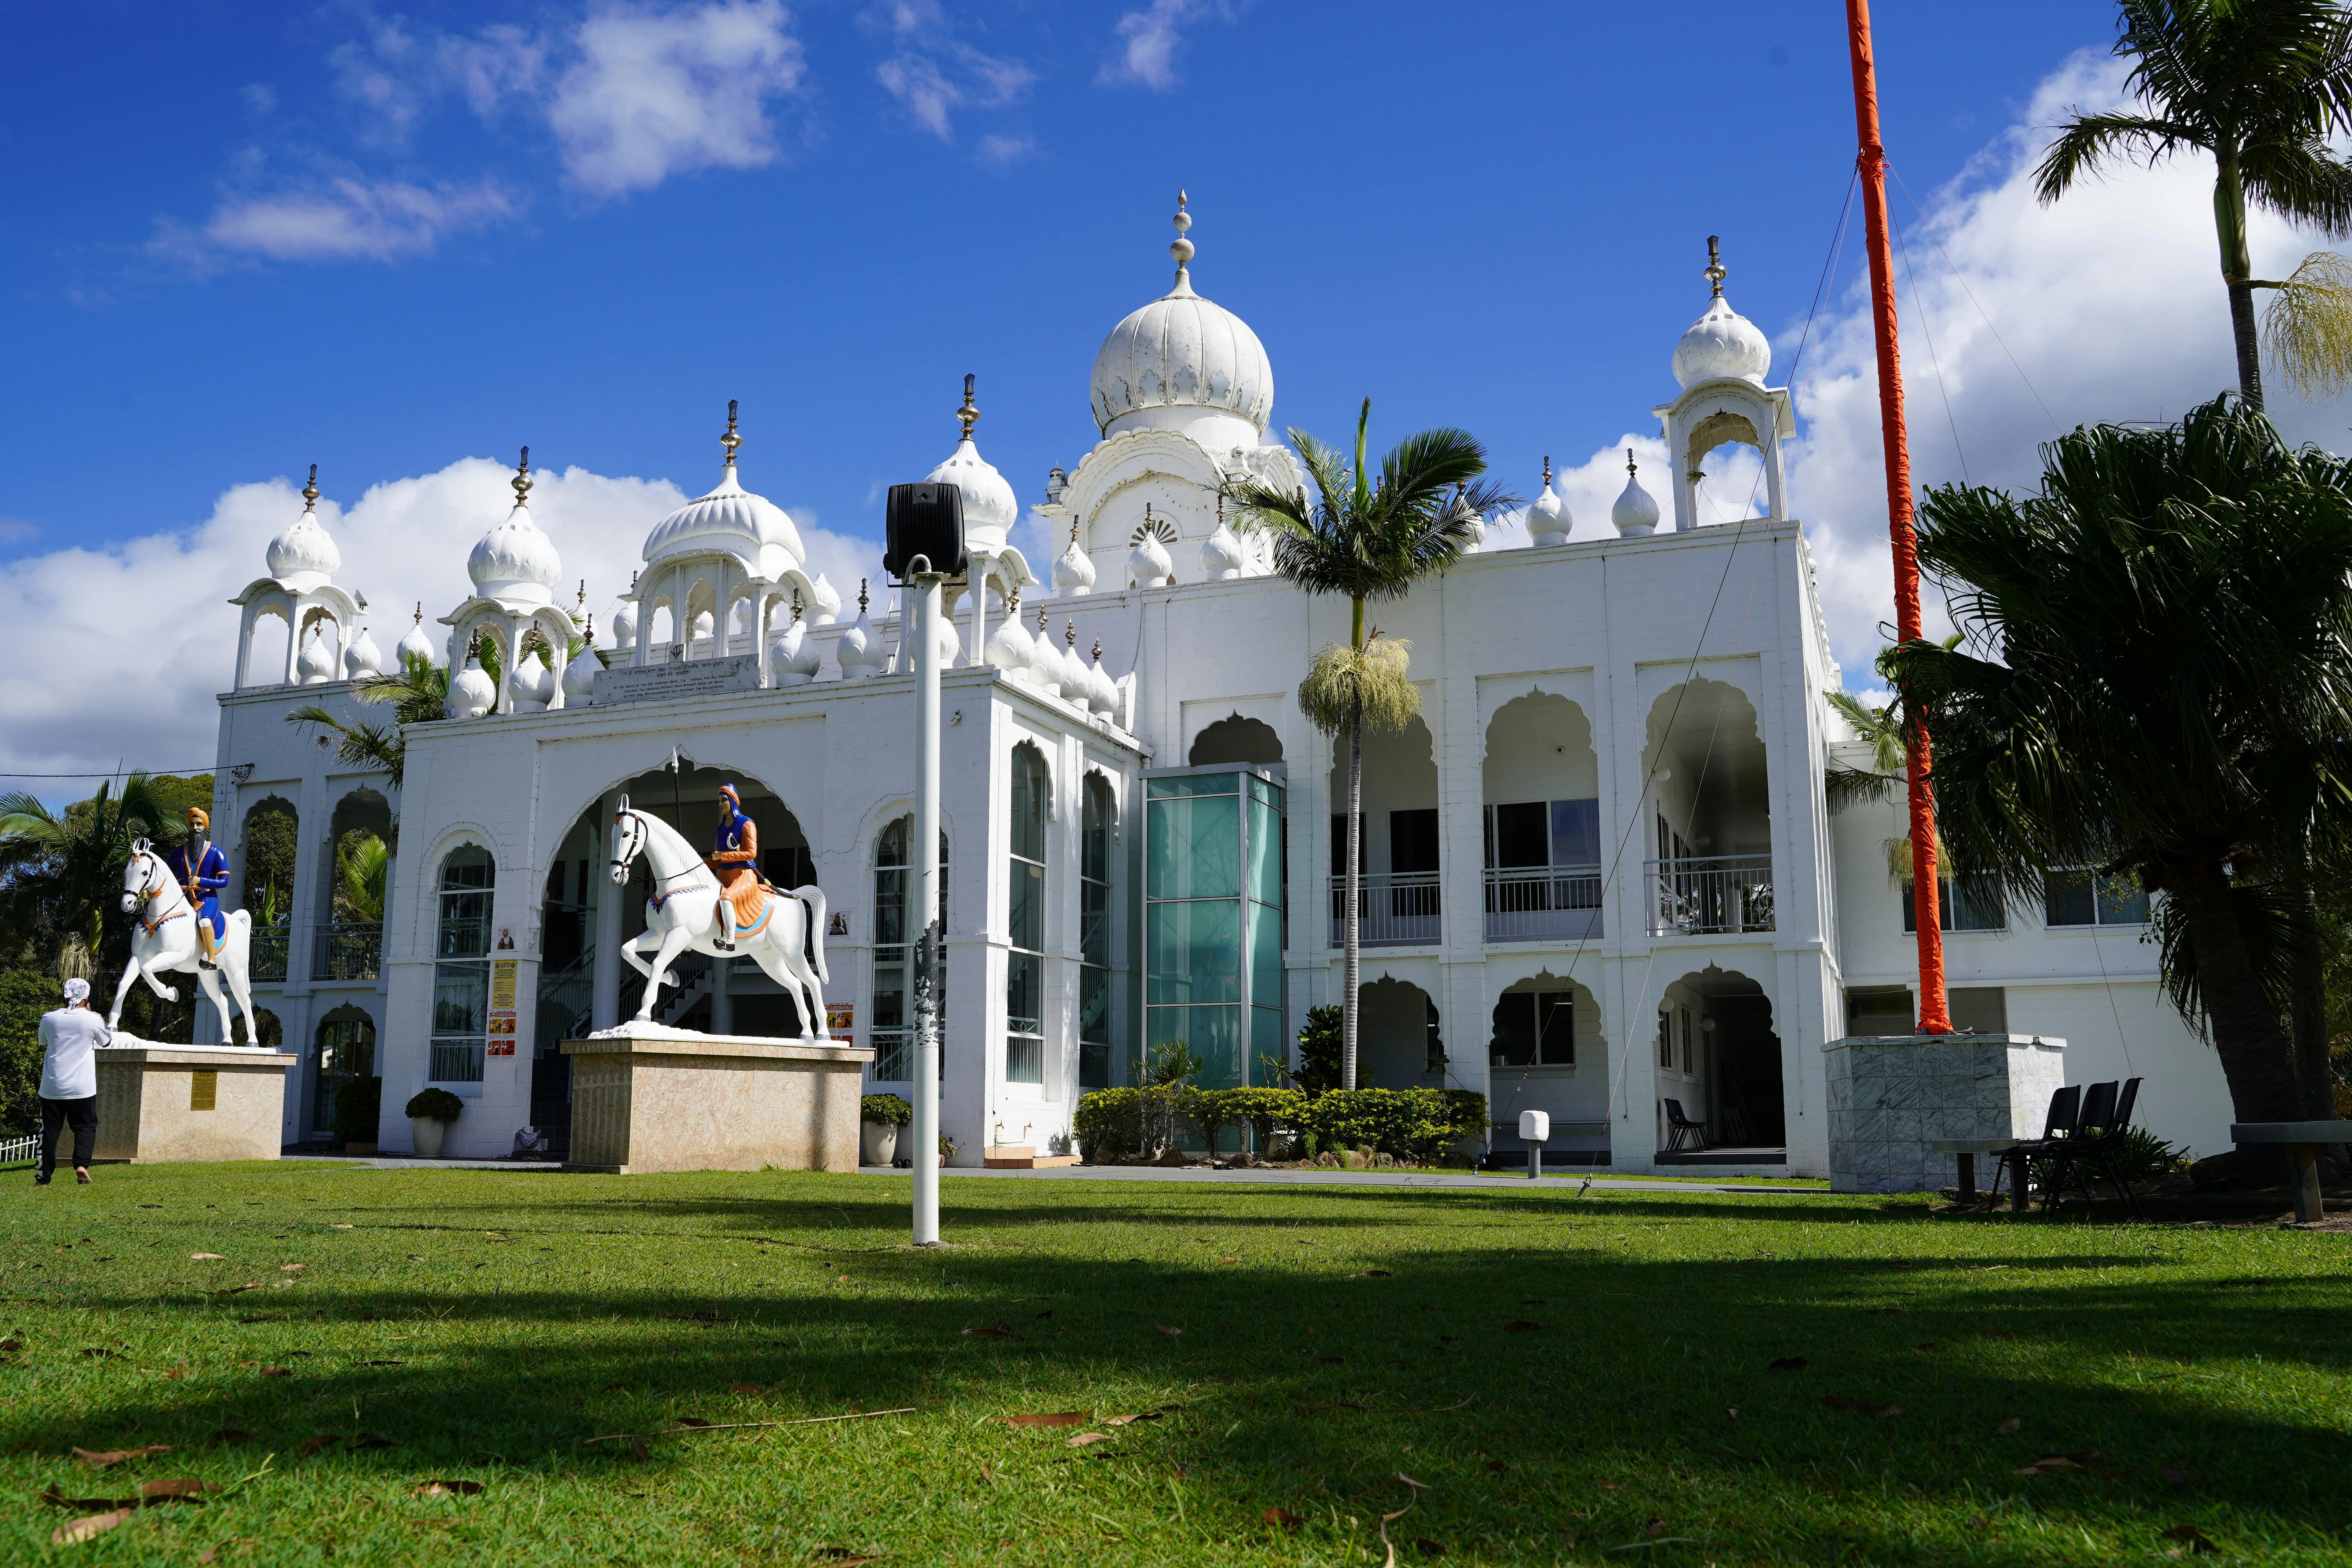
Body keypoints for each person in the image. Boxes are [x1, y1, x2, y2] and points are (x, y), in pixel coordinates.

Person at [37, 977, 111, 1186]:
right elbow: (106, 1042)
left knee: (49, 1131)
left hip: (52, 1086)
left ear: (65, 994)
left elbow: (44, 1041)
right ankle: (81, 1166)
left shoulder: (49, 1018)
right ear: (86, 997)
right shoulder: (93, 1018)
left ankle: (44, 1175)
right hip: (82, 1087)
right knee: (85, 1127)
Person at [164, 806, 229, 971]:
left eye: (199, 824)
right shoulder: (177, 853)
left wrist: (201, 881)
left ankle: (212, 958)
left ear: (205, 827)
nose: (195, 828)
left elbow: (224, 881)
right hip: (181, 898)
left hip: (206, 897)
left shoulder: (216, 853)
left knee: (204, 920)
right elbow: (166, 876)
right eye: (192, 824)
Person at [707, 782, 761, 953]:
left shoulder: (747, 824)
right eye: (720, 800)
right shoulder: (720, 830)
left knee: (726, 898)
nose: (720, 804)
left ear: (732, 800)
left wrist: (724, 855)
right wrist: (697, 861)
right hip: (724, 876)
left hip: (743, 875)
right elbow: (717, 862)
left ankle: (730, 940)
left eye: (724, 800)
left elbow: (751, 854)